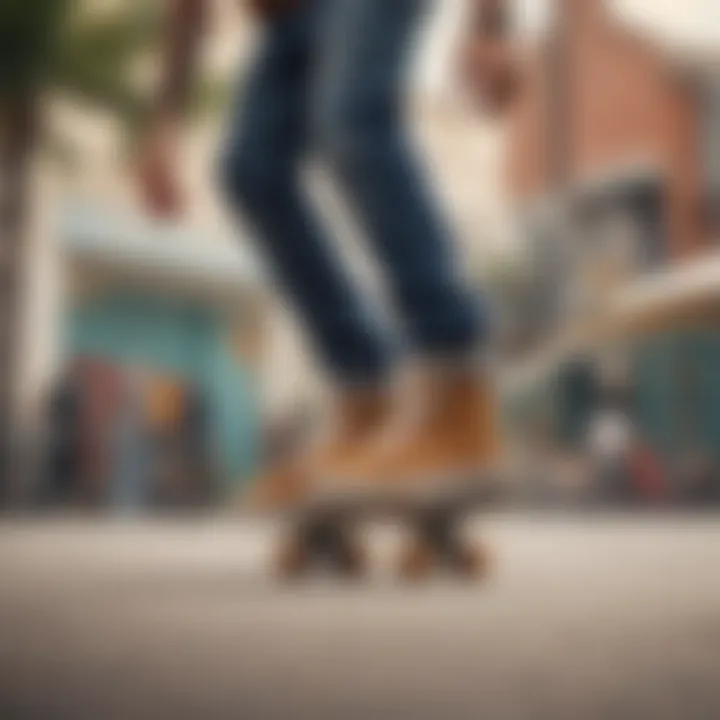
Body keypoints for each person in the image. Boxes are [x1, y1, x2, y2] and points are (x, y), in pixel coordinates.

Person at [139, 0, 521, 509]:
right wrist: (165, 122)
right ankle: (367, 400)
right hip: (290, 23)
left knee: (351, 122)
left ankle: (458, 397)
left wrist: (491, 25)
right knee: (253, 172)